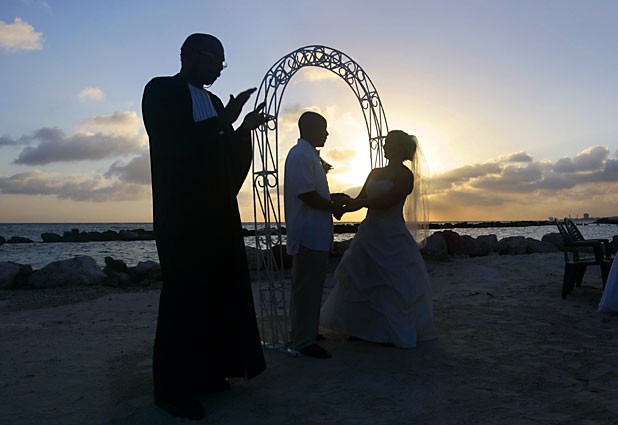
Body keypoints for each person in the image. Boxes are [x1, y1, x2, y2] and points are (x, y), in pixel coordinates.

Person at [141, 33, 268, 420]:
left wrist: (242, 130)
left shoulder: (213, 103)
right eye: (217, 61)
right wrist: (223, 122)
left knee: (217, 291)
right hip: (183, 214)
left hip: (217, 214)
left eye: (222, 64)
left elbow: (221, 157)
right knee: (183, 296)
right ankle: (172, 388)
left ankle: (207, 371)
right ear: (192, 56)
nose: (219, 70)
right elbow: (171, 142)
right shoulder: (161, 91)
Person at [320, 130, 437, 348]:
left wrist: (360, 203)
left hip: (391, 233)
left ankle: (387, 332)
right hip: (369, 232)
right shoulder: (374, 171)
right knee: (362, 277)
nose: (384, 146)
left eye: (390, 143)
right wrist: (343, 203)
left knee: (391, 284)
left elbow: (387, 201)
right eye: (384, 142)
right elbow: (362, 198)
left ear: (401, 148)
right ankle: (360, 328)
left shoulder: (404, 176)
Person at [283, 111, 345, 359]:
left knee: (310, 286)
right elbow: (306, 194)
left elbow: (314, 192)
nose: (327, 134)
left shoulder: (308, 155)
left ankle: (305, 331)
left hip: (315, 231)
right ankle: (303, 340)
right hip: (308, 232)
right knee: (306, 287)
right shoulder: (300, 155)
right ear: (308, 128)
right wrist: (333, 206)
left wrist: (333, 199)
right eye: (323, 129)